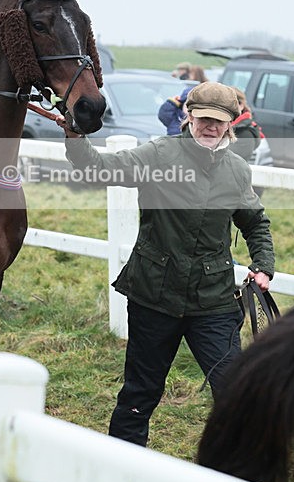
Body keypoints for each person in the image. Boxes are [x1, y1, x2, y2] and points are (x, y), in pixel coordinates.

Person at [61, 81, 275, 447]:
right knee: (140, 394)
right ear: (189, 117)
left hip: (214, 300)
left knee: (232, 389)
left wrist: (263, 265)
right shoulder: (158, 156)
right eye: (203, 118)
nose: (210, 126)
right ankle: (124, 470)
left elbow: (255, 222)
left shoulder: (238, 170)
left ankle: (239, 478)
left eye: (219, 121)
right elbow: (98, 168)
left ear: (230, 124)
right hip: (154, 295)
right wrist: (75, 137)